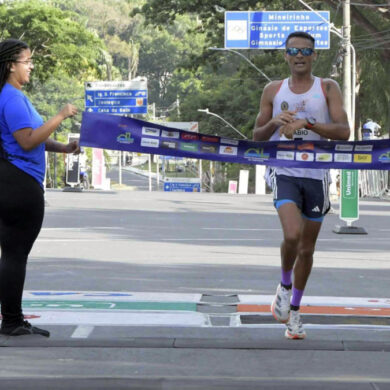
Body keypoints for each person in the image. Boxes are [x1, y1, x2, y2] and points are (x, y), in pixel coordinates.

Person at [253, 31, 350, 339]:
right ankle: (284, 285)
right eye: (293, 51)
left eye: (305, 51)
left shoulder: (327, 87)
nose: (299, 56)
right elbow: (257, 136)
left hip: (317, 175)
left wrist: (308, 124)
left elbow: (343, 131)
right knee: (292, 235)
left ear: (314, 55)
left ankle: (294, 312)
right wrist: (275, 124)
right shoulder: (273, 89)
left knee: (307, 250)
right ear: (285, 55)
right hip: (284, 171)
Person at [0, 39, 79, 337]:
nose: (31, 65)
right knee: (15, 254)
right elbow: (27, 140)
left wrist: (65, 148)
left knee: (12, 252)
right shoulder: (11, 98)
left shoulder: (14, 96)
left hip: (13, 181)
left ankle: (12, 319)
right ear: (10, 65)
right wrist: (60, 115)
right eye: (27, 61)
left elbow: (35, 137)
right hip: (20, 184)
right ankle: (11, 321)